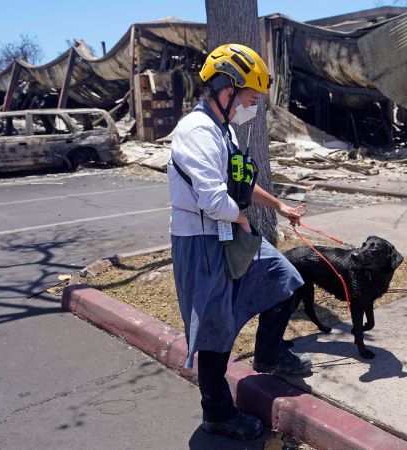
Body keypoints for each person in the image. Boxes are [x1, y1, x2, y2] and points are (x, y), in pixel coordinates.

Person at [168, 43, 312, 441]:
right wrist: (245, 217)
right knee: (214, 329)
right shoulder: (195, 132)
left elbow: (239, 181)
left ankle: (268, 353)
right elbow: (212, 199)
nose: (251, 107)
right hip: (201, 240)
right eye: (250, 98)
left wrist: (278, 205)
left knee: (284, 279)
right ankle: (217, 412)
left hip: (230, 231)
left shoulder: (223, 128)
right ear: (226, 89)